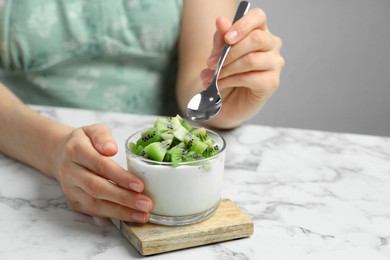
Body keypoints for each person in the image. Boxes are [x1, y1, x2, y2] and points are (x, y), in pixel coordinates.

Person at [0, 0, 284, 223]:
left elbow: (197, 81)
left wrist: (226, 97)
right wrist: (52, 149)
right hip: (23, 157)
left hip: (163, 181)